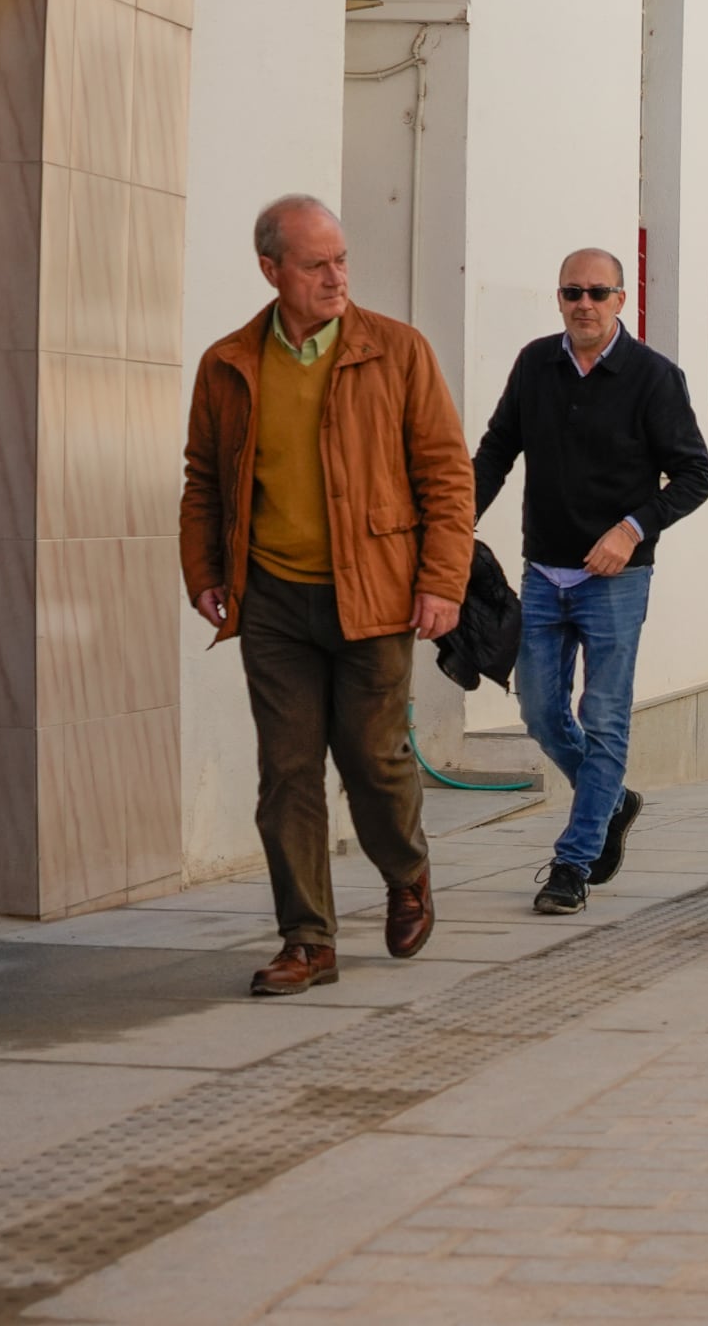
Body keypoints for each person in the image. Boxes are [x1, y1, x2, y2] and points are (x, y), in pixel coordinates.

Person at [180, 195, 473, 997]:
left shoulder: (398, 351)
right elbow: (204, 477)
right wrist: (203, 570)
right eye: (317, 264)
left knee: (373, 760)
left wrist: (442, 582)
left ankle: (407, 873)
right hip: (273, 598)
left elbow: (447, 475)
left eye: (341, 259)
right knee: (287, 773)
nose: (336, 276)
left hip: (374, 594)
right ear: (272, 270)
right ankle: (307, 940)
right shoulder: (230, 362)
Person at [473, 249, 708, 917]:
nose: (583, 303)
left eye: (597, 292)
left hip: (616, 578)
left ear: (621, 300)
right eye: (571, 292)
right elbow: (496, 450)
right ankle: (612, 800)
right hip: (544, 572)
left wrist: (631, 529)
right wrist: (451, 522)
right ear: (559, 299)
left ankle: (572, 864)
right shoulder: (534, 365)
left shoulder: (654, 378)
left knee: (603, 719)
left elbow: (694, 475)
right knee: (540, 712)